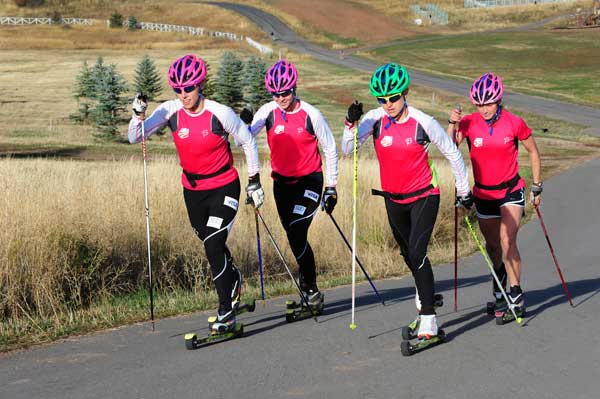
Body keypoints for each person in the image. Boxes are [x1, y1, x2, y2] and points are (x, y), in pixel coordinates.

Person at [128, 54, 264, 334]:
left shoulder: (219, 113)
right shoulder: (170, 111)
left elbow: (248, 141)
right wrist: (137, 114)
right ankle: (234, 279)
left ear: (199, 85)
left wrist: (254, 181)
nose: (183, 95)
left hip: (224, 186)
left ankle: (226, 310)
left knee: (213, 244)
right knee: (209, 243)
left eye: (188, 88)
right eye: (177, 90)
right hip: (193, 191)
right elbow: (136, 136)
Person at [342, 63, 471, 339]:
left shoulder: (423, 122)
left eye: (393, 98)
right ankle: (426, 296)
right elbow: (348, 148)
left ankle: (428, 317)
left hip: (424, 195)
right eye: (382, 99)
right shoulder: (375, 120)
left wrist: (463, 190)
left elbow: (452, 154)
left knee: (417, 252)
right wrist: (349, 123)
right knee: (407, 255)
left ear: (405, 93)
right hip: (393, 198)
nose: (388, 104)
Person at [240, 59, 338, 312]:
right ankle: (310, 292)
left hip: (310, 181)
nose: (281, 97)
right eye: (275, 93)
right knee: (294, 239)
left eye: (285, 92)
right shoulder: (268, 111)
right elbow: (246, 140)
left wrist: (332, 186)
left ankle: (311, 290)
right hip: (281, 185)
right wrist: (245, 125)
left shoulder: (311, 114)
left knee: (296, 232)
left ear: (294, 88)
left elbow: (330, 148)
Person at [447, 72, 542, 323]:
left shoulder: (514, 122)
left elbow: (533, 152)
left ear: (498, 100)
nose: (484, 109)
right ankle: (500, 292)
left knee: (507, 240)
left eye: (488, 103)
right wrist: (451, 123)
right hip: (484, 194)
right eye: (479, 104)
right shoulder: (469, 122)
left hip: (510, 191)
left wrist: (537, 186)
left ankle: (515, 293)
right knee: (493, 247)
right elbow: (450, 147)